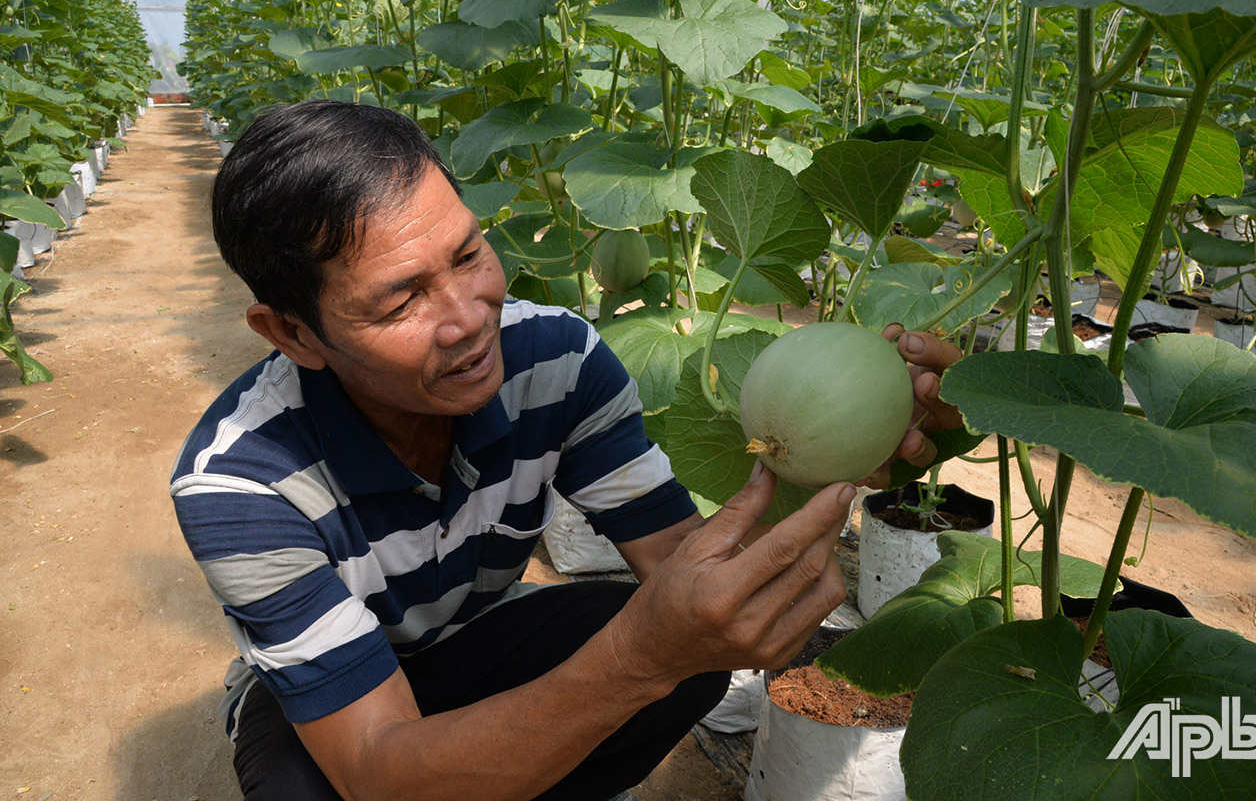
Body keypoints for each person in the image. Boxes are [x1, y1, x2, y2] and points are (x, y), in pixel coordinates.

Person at [170, 99, 963, 801]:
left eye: (469, 254)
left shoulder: (558, 359)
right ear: (293, 332)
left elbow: (696, 570)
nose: (470, 319)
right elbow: (377, 768)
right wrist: (634, 660)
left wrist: (845, 444)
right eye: (403, 298)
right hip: (342, 708)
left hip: (473, 647)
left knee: (688, 653)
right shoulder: (241, 485)